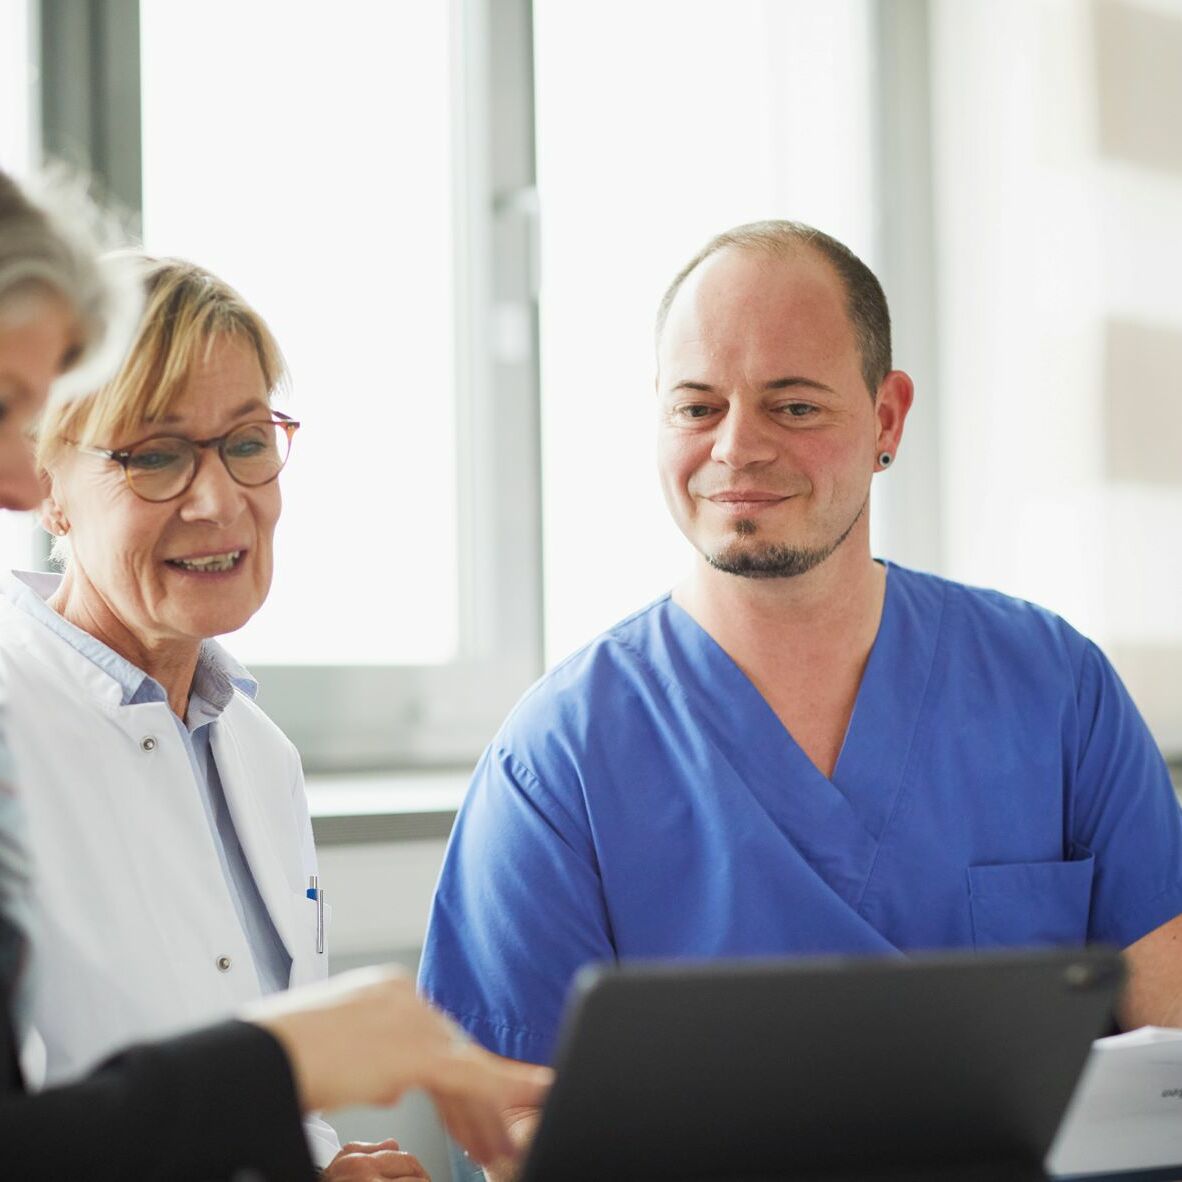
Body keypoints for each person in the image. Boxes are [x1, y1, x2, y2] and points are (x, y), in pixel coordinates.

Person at [419, 219, 1182, 1178]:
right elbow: (515, 1144)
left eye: (794, 407)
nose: (737, 449)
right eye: (698, 408)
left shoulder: (1055, 690)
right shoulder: (557, 760)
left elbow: (1171, 1054)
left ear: (887, 419)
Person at [0, 167, 549, 1180]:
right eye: (156, 455)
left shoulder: (256, 752)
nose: (218, 501)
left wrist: (324, 1166)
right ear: (48, 484)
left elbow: (255, 1092)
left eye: (248, 442)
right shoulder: (12, 733)